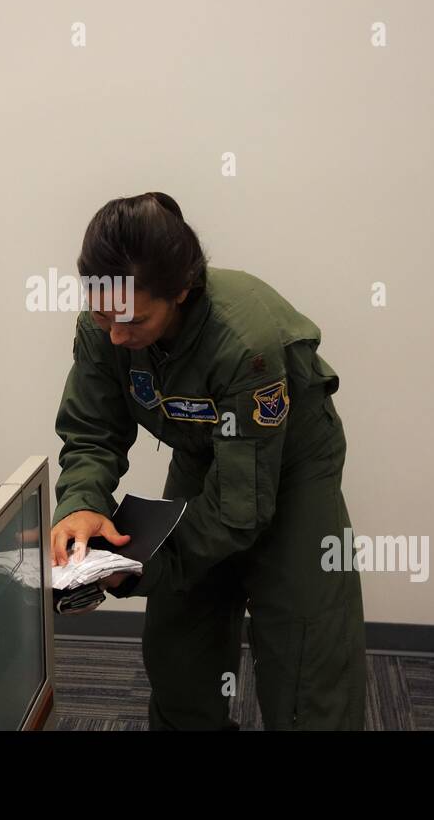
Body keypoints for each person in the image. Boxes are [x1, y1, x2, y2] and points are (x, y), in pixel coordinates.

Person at [50, 192, 366, 730]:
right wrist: (82, 504)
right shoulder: (107, 321)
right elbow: (93, 431)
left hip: (293, 467)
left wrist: (136, 570)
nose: (117, 336)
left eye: (133, 321)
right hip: (203, 453)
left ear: (181, 291)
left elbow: (241, 508)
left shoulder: (246, 345)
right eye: (103, 316)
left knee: (305, 654)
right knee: (180, 642)